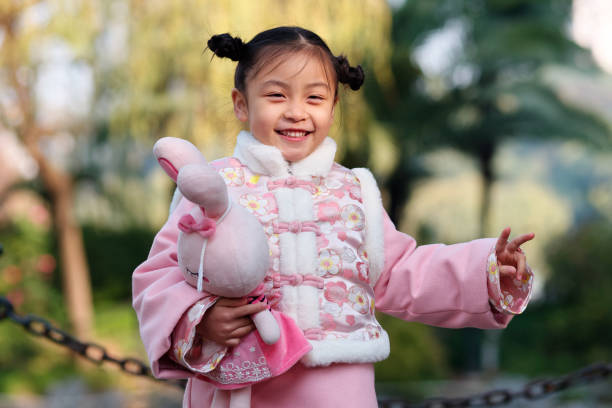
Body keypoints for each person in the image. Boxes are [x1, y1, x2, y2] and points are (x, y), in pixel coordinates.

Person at [133, 26, 535, 408]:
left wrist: (486, 273)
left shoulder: (355, 191)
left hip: (338, 386)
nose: (296, 112)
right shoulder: (210, 185)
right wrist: (200, 320)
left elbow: (400, 272)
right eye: (276, 96)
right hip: (241, 385)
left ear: (333, 105)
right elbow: (159, 276)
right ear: (242, 103)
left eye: (314, 98)